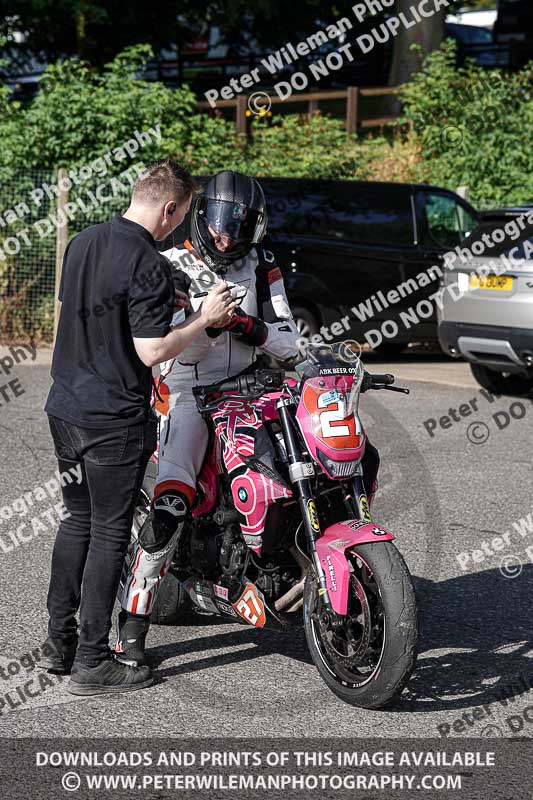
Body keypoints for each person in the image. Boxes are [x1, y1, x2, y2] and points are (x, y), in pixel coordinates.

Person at [41, 159, 237, 696]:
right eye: (183, 214)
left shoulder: (82, 241)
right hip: (115, 419)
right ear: (170, 208)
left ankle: (58, 646)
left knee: (75, 521)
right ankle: (92, 661)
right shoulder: (148, 262)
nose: (179, 225)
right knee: (108, 531)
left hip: (65, 407)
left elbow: (76, 317)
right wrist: (205, 318)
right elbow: (151, 350)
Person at [115, 170, 301, 664]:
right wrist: (206, 320)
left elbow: (288, 341)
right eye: (220, 225)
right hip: (188, 393)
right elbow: (161, 339)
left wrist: (242, 323)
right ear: (199, 217)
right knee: (170, 503)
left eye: (239, 228)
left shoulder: (263, 265)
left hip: (250, 387)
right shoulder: (169, 263)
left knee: (302, 463)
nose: (226, 237)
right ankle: (132, 626)